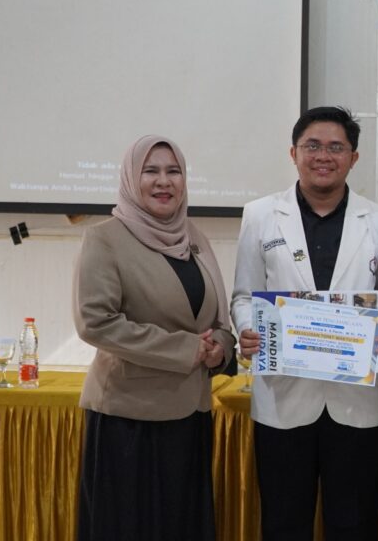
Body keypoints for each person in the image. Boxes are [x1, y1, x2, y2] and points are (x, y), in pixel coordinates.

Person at [231, 106, 378, 541]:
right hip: (283, 399)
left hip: (358, 403)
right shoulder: (260, 215)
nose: (324, 156)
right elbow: (244, 295)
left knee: (355, 525)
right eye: (313, 146)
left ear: (353, 157)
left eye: (336, 147)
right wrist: (248, 329)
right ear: (294, 153)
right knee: (284, 524)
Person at [74, 135, 234, 541]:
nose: (164, 181)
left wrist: (221, 346)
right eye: (151, 171)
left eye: (173, 171)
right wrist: (186, 349)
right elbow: (96, 322)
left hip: (189, 417)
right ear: (132, 179)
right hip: (128, 421)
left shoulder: (193, 237)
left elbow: (215, 317)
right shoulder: (105, 238)